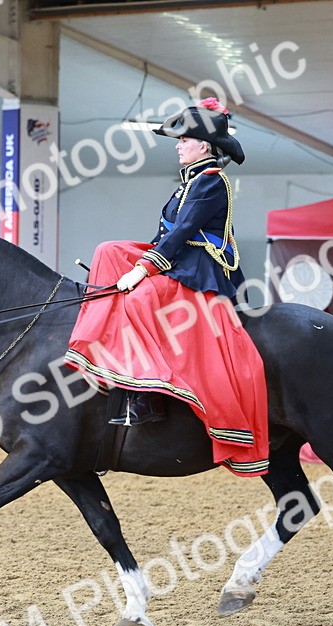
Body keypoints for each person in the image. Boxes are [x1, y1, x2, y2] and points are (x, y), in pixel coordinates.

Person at [64, 98, 269, 478]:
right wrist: (132, 266)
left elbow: (182, 235)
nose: (177, 144)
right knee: (108, 250)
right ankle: (100, 351)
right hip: (177, 260)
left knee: (140, 299)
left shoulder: (211, 184)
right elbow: (163, 236)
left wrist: (142, 271)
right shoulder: (190, 181)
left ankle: (146, 396)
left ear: (203, 146)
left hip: (199, 269)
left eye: (184, 139)